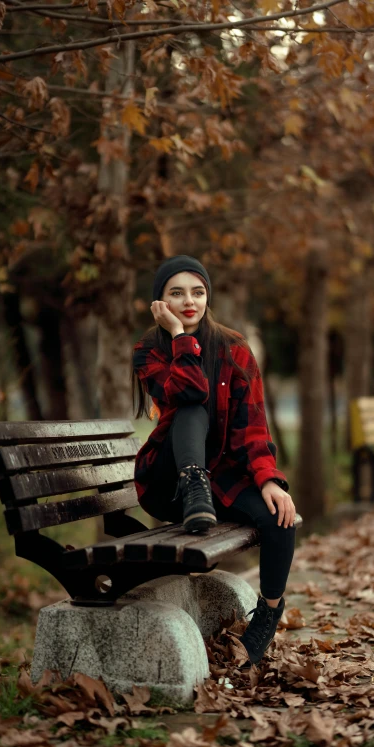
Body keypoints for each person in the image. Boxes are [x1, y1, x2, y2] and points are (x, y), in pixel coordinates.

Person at [130, 256, 297, 666]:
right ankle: (194, 484)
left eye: (198, 292)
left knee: (280, 518)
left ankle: (267, 618)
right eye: (176, 293)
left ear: (208, 295)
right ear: (159, 302)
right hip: (169, 485)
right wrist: (177, 335)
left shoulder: (235, 349)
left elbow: (253, 427)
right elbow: (186, 393)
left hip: (222, 482)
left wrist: (268, 480)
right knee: (192, 408)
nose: (189, 301)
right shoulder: (149, 350)